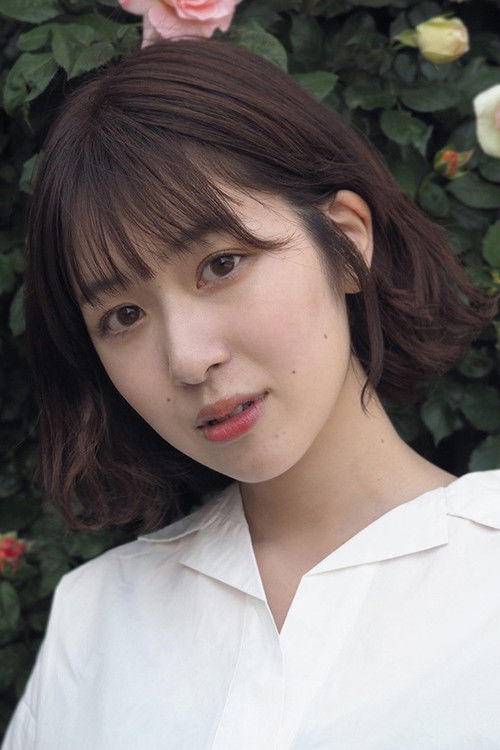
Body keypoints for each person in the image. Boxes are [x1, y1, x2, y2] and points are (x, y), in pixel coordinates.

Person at [3, 37, 500, 750]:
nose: (187, 359)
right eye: (124, 315)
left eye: (221, 264)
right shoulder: (96, 621)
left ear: (345, 240)